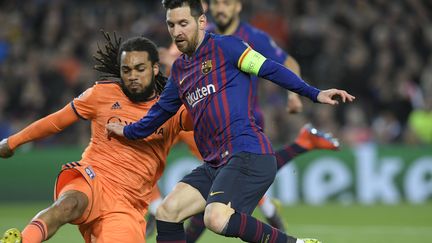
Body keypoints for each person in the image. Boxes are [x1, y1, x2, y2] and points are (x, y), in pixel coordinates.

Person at [106, 1, 355, 243]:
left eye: (183, 23)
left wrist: (314, 93)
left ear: (201, 21)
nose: (177, 31)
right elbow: (158, 114)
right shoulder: (180, 70)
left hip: (247, 152)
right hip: (215, 164)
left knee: (215, 217)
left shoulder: (228, 47)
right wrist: (127, 131)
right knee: (167, 212)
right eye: (171, 25)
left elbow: (270, 68)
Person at [0, 33, 193, 243]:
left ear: (155, 69)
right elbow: (55, 121)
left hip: (127, 204)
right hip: (93, 177)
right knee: (67, 204)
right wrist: (12, 142)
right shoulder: (102, 94)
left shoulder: (172, 110)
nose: (132, 76)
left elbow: (208, 116)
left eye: (140, 69)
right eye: (126, 70)